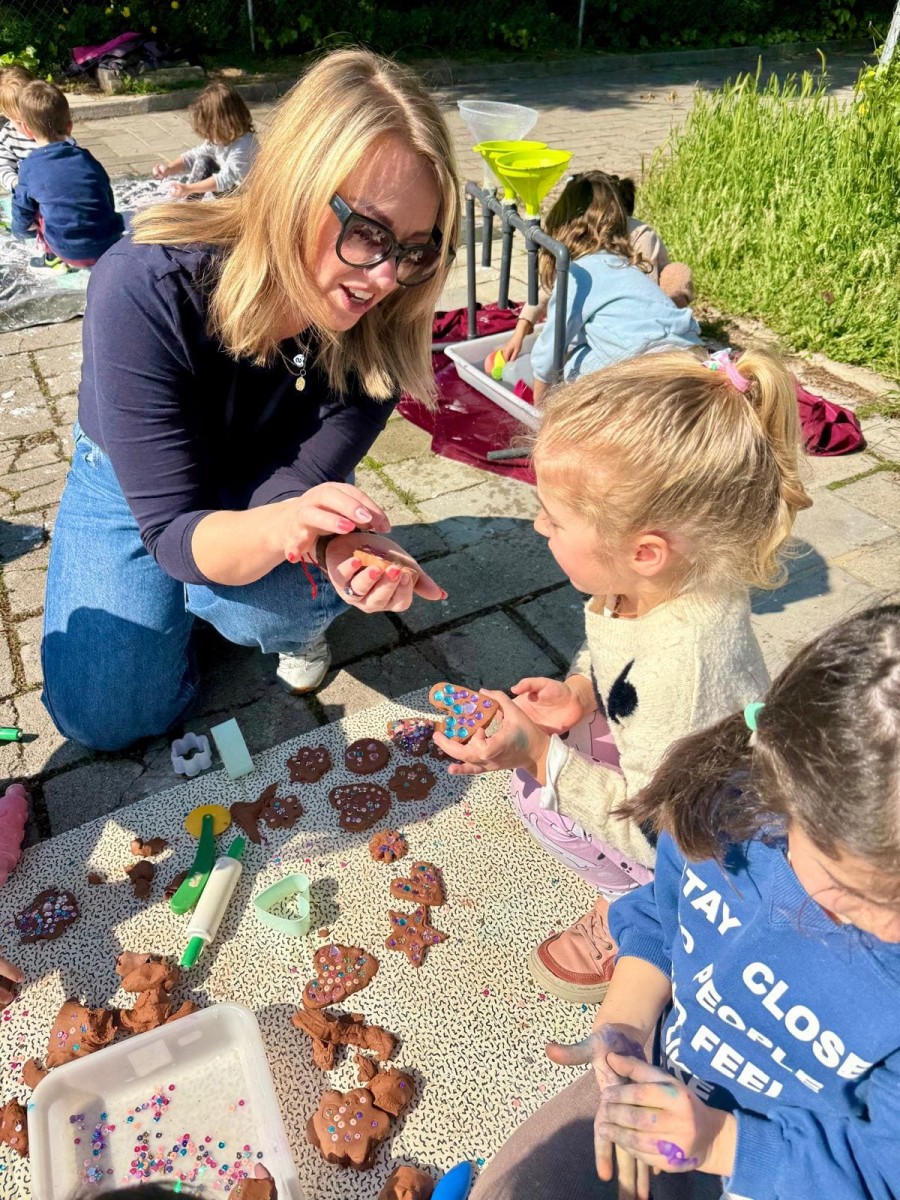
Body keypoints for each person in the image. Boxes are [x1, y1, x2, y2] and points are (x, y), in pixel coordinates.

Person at [40, 49, 457, 751]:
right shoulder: (146, 282)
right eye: (367, 232)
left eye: (416, 248)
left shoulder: (387, 326)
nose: (388, 277)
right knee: (104, 718)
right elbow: (173, 527)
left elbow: (294, 483)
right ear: (295, 185)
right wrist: (266, 537)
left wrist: (331, 540)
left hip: (268, 471)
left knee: (275, 601)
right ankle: (181, 613)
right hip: (135, 480)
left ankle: (216, 608)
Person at [470, 606, 900, 1200]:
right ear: (786, 795)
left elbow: (881, 1172)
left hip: (791, 1169)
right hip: (665, 1079)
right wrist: (626, 1021)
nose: (867, 920)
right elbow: (662, 913)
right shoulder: (729, 815)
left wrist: (719, 1142)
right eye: (850, 886)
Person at [434, 347, 811, 1004]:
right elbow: (612, 647)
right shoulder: (655, 582)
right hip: (674, 763)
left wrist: (538, 754)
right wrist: (581, 693)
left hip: (704, 837)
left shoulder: (681, 668)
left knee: (541, 800)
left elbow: (658, 831)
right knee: (554, 769)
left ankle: (646, 906)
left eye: (554, 517)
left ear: (645, 551)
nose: (538, 524)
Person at [523, 172, 701, 401]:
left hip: (647, 369)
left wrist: (540, 409)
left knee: (571, 365)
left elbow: (548, 353)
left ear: (560, 232)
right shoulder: (625, 265)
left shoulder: (576, 273)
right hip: (691, 354)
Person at [10, 81, 123, 269]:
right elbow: (106, 193)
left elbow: (21, 208)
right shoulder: (86, 158)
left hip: (69, 251)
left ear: (28, 130)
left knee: (36, 206)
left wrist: (19, 230)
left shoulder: (30, 166)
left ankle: (51, 257)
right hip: (108, 243)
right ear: (69, 127)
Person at [153, 81, 259, 199]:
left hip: (246, 201)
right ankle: (189, 205)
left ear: (223, 123)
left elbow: (225, 179)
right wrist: (169, 169)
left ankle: (188, 207)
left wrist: (188, 188)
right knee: (204, 160)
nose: (208, 134)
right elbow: (193, 156)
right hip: (232, 194)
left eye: (210, 127)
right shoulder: (222, 138)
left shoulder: (245, 143)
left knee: (205, 163)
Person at [0, 65, 37, 194]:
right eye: (20, 122)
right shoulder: (8, 135)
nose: (27, 127)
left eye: (33, 118)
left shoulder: (52, 127)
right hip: (24, 194)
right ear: (6, 114)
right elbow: (3, 167)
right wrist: (16, 184)